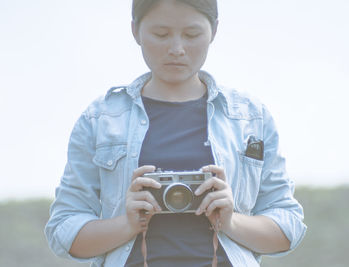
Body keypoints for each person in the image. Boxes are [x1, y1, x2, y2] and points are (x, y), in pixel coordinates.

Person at [45, 0, 307, 266]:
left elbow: (288, 228)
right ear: (135, 31)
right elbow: (64, 230)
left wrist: (230, 221)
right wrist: (127, 223)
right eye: (161, 34)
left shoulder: (250, 117)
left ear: (214, 31)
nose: (176, 49)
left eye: (192, 35)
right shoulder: (100, 120)